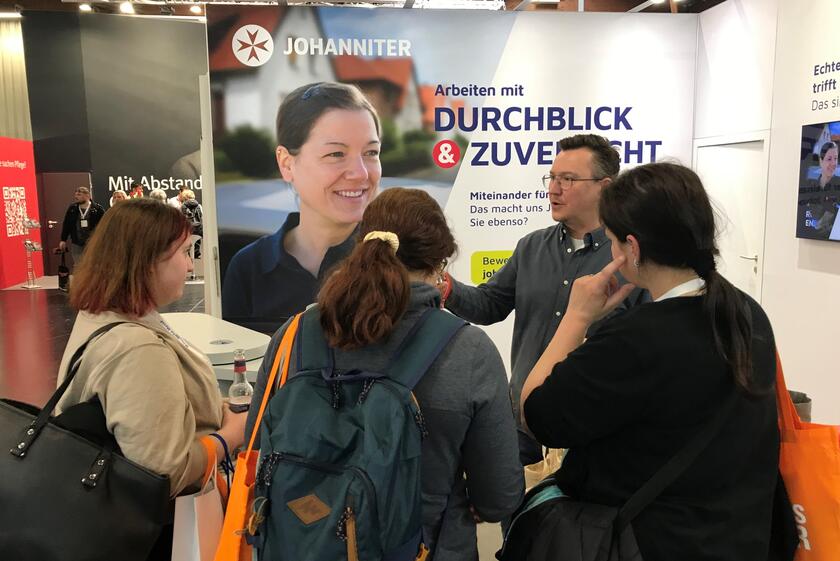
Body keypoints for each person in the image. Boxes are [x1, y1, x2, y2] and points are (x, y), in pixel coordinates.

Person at [520, 162, 785, 561]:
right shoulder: (747, 312)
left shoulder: (635, 338)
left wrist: (577, 317)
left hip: (651, 541)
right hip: (740, 537)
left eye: (612, 241)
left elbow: (536, 413)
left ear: (633, 247)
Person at [246, 188, 523, 560]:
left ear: (362, 246)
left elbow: (256, 448)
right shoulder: (468, 351)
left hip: (300, 545)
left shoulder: (293, 335)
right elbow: (500, 497)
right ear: (440, 264)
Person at [441, 134, 646, 465]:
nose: (553, 189)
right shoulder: (531, 247)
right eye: (551, 177)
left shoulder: (631, 261)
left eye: (567, 179)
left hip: (593, 434)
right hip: (523, 427)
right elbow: (490, 304)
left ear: (605, 187)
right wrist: (445, 287)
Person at [55, 199, 247, 501]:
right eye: (184, 252)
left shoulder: (103, 315)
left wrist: (215, 407)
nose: (190, 265)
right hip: (173, 522)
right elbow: (164, 473)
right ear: (146, 262)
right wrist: (232, 435)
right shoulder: (138, 348)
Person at [222, 81, 381, 332]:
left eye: (371, 153)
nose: (360, 173)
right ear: (286, 164)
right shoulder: (249, 268)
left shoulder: (401, 262)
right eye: (336, 154)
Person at [798, 140, 840, 238]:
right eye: (829, 159)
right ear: (821, 161)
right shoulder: (811, 186)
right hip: (809, 236)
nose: (833, 163)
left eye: (835, 158)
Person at [59, 186, 106, 265]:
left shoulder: (97, 209)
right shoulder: (72, 209)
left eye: (79, 195)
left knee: (93, 264)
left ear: (87, 195)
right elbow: (66, 224)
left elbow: (104, 225)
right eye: (75, 194)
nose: (76, 197)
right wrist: (63, 239)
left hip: (93, 242)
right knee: (79, 265)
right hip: (77, 242)